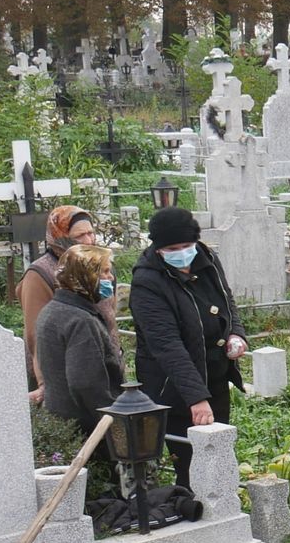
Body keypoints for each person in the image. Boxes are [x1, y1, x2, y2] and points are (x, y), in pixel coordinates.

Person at [131, 207, 247, 484]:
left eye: (186, 246)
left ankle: (222, 503)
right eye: (172, 249)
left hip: (214, 375)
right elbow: (167, 345)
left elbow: (226, 300)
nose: (182, 253)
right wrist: (196, 398)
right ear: (158, 249)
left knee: (219, 456)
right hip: (174, 387)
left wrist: (236, 333)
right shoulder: (147, 282)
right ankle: (192, 503)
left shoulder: (207, 259)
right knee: (192, 466)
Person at [22, 205, 114, 399]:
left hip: (101, 367)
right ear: (60, 236)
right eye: (80, 236)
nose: (88, 241)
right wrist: (44, 384)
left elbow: (108, 316)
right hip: (63, 379)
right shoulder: (41, 273)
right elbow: (36, 334)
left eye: (91, 233)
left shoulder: (98, 265)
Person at [34, 242, 124, 437]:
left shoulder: (51, 310)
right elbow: (86, 383)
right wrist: (114, 425)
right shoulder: (81, 321)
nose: (111, 277)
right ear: (85, 275)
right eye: (104, 272)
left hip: (61, 420)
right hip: (87, 428)